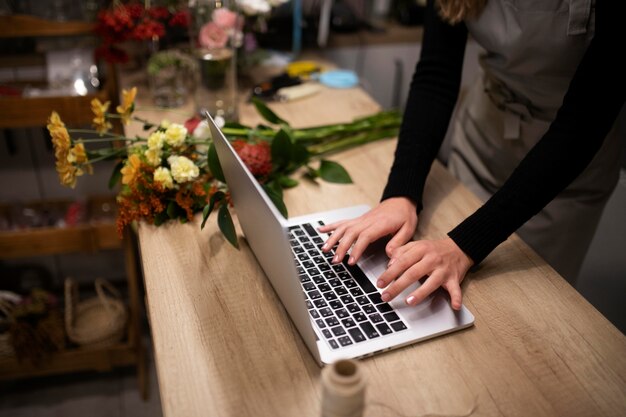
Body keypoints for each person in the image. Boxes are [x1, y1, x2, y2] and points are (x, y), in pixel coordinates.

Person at [319, 0, 625, 311]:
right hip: (483, 136)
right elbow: (435, 78)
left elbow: (583, 124)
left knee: (518, 312)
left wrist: (465, 245)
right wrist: (400, 194)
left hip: (560, 176)